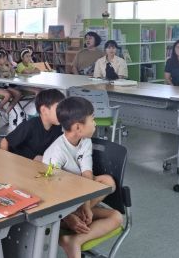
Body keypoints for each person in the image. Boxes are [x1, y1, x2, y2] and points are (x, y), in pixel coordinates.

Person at [42, 97, 123, 258]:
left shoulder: (85, 141)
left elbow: (86, 175)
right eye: (92, 119)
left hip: (77, 196)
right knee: (64, 204)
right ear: (78, 127)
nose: (95, 123)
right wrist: (68, 216)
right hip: (57, 206)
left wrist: (86, 206)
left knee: (116, 213)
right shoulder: (56, 152)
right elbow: (49, 192)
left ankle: (74, 240)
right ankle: (72, 220)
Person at [0, 89, 65, 161]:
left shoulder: (58, 127)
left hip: (36, 162)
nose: (63, 112)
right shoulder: (30, 125)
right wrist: (7, 162)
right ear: (44, 110)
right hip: (18, 162)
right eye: (59, 108)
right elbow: (5, 142)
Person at [0, 50, 22, 117]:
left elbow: (12, 74)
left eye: (5, 58)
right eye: (3, 58)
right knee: (7, 95)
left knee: (18, 94)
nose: (5, 60)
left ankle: (7, 111)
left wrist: (10, 66)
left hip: (3, 86)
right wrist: (8, 71)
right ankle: (0, 107)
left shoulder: (3, 66)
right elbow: (3, 76)